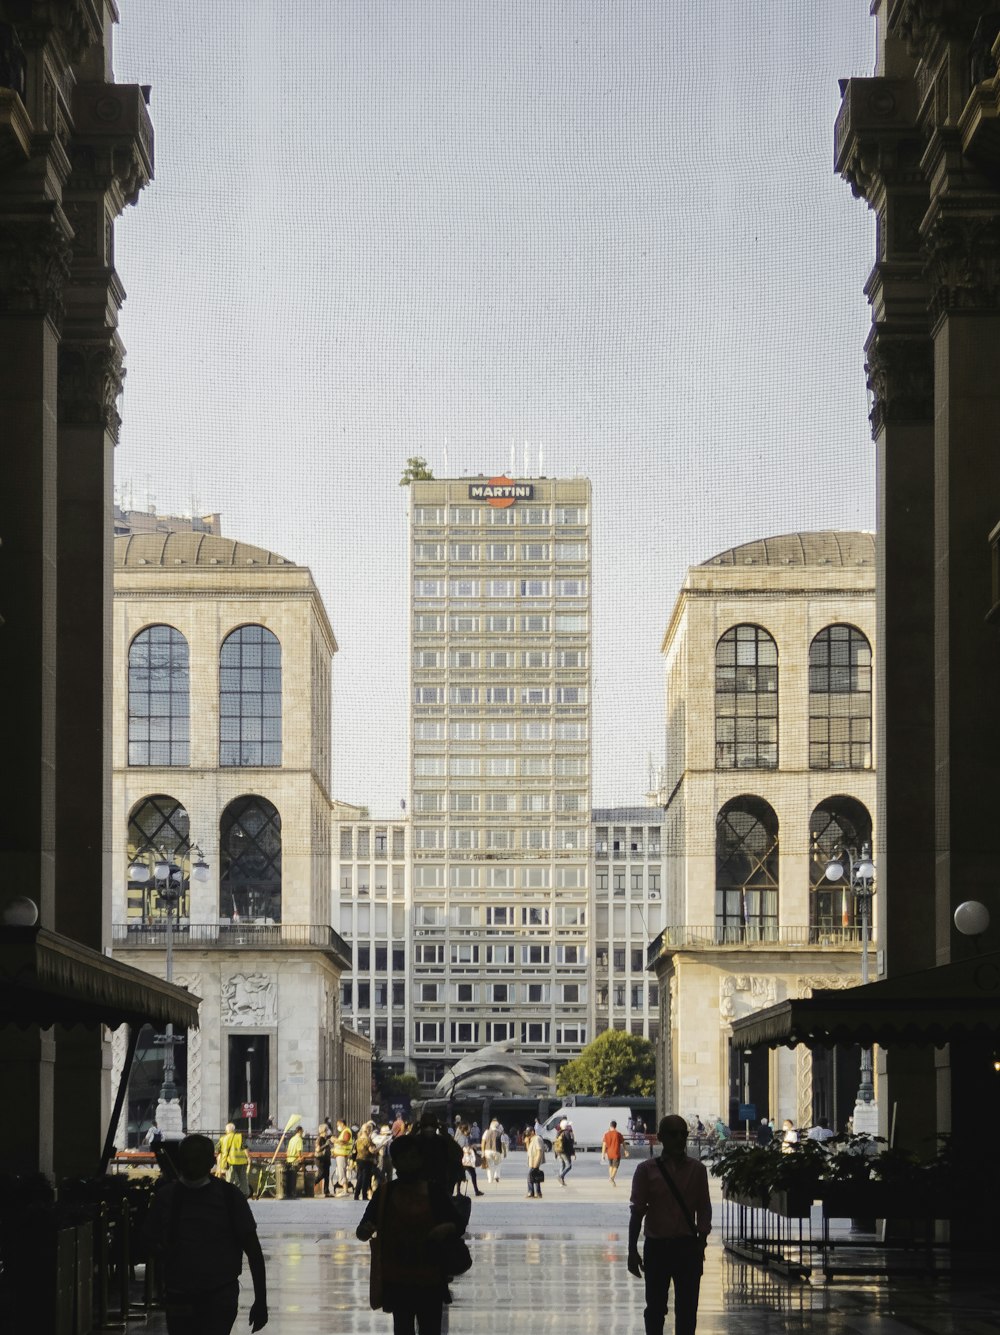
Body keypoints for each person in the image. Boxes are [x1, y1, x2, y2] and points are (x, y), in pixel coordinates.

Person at [145, 1132, 268, 1334]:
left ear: (210, 1162)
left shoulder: (226, 1198)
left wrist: (261, 1301)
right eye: (188, 1160)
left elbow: (254, 1251)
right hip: (191, 1292)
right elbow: (253, 1251)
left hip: (213, 1295)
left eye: (196, 1160)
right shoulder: (228, 1197)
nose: (192, 1166)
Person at [357, 1134, 462, 1335]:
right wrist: (366, 1229)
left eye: (414, 1157)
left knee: (430, 1329)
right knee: (403, 1328)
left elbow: (458, 1223)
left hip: (430, 1277)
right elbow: (362, 1230)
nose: (410, 1163)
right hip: (398, 1279)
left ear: (421, 1160)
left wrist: (445, 1228)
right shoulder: (386, 1193)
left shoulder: (435, 1192)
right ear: (395, 1163)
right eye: (404, 1158)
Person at [628, 1115, 711, 1335]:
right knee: (655, 1308)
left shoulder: (697, 1170)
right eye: (673, 1134)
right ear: (661, 1137)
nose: (679, 1139)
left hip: (687, 1247)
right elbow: (637, 1211)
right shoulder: (646, 1170)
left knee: (687, 1311)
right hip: (657, 1248)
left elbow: (704, 1208)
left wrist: (701, 1240)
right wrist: (631, 1250)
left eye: (683, 1134)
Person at [216, 1122, 250, 1197]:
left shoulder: (222, 1139)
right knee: (243, 1179)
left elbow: (217, 1150)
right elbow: (245, 1148)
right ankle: (245, 1194)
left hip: (229, 1162)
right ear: (234, 1130)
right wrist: (248, 1158)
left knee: (230, 1179)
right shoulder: (240, 1136)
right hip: (242, 1162)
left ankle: (228, 1194)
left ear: (226, 1130)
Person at [456, 1122, 485, 1196]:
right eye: (468, 1129)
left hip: (464, 1159)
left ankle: (459, 1191)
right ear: (464, 1130)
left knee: (465, 1175)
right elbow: (462, 1147)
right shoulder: (462, 1137)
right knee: (470, 1174)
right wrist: (471, 1147)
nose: (469, 1131)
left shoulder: (463, 1136)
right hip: (465, 1159)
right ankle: (474, 1191)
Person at [355, 1120, 380, 1200]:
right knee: (365, 1178)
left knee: (359, 1178)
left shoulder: (358, 1139)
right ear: (368, 1130)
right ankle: (364, 1195)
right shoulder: (367, 1140)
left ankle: (356, 1194)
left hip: (359, 1159)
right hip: (367, 1160)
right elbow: (372, 1150)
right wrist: (380, 1147)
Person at [602, 1119, 630, 1186]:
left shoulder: (606, 1134)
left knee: (611, 1165)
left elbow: (604, 1145)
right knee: (616, 1167)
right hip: (616, 1153)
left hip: (609, 1153)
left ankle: (611, 1178)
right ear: (615, 1126)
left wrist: (603, 1154)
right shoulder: (618, 1134)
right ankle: (611, 1178)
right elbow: (623, 1143)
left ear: (610, 1126)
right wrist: (625, 1150)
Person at [333, 1118, 354, 1194]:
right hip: (341, 1154)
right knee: (342, 1171)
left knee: (342, 1172)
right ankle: (345, 1189)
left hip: (342, 1155)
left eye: (338, 1125)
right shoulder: (344, 1132)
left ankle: (345, 1190)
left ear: (342, 1124)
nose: (337, 1126)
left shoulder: (346, 1131)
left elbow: (344, 1142)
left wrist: (335, 1140)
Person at [525, 1126, 545, 1199]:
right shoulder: (532, 1139)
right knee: (535, 1177)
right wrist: (527, 1142)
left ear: (533, 1132)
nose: (527, 1135)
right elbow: (529, 1151)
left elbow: (539, 1151)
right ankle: (538, 1193)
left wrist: (537, 1163)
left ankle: (531, 1192)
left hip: (535, 1162)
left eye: (528, 1133)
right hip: (532, 1162)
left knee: (529, 1176)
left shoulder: (537, 1139)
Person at [481, 1119, 503, 1184]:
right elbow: (502, 1143)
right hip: (497, 1151)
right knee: (498, 1163)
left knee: (489, 1166)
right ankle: (497, 1175)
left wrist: (482, 1152)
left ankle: (490, 1180)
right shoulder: (499, 1133)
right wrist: (503, 1152)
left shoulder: (486, 1132)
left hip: (487, 1151)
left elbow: (483, 1142)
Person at [554, 1118, 576, 1185]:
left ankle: (561, 1181)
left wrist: (556, 1154)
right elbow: (570, 1144)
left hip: (559, 1152)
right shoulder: (567, 1133)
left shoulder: (559, 1132)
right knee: (569, 1166)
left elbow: (556, 1143)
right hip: (565, 1152)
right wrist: (573, 1153)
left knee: (562, 1165)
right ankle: (560, 1176)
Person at [284, 1123, 304, 1198]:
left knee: (289, 1177)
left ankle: (288, 1193)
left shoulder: (292, 1139)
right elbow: (299, 1151)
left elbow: (287, 1151)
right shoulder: (299, 1139)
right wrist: (300, 1158)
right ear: (299, 1131)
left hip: (289, 1160)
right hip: (295, 1161)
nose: (302, 1133)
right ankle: (293, 1193)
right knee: (294, 1178)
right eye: (302, 1131)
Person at [314, 1122, 333, 1197]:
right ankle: (312, 1183)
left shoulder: (326, 1139)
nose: (328, 1131)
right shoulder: (320, 1139)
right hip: (320, 1159)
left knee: (327, 1176)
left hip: (326, 1159)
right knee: (321, 1174)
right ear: (323, 1131)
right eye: (326, 1130)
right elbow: (318, 1149)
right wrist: (325, 1145)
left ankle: (326, 1191)